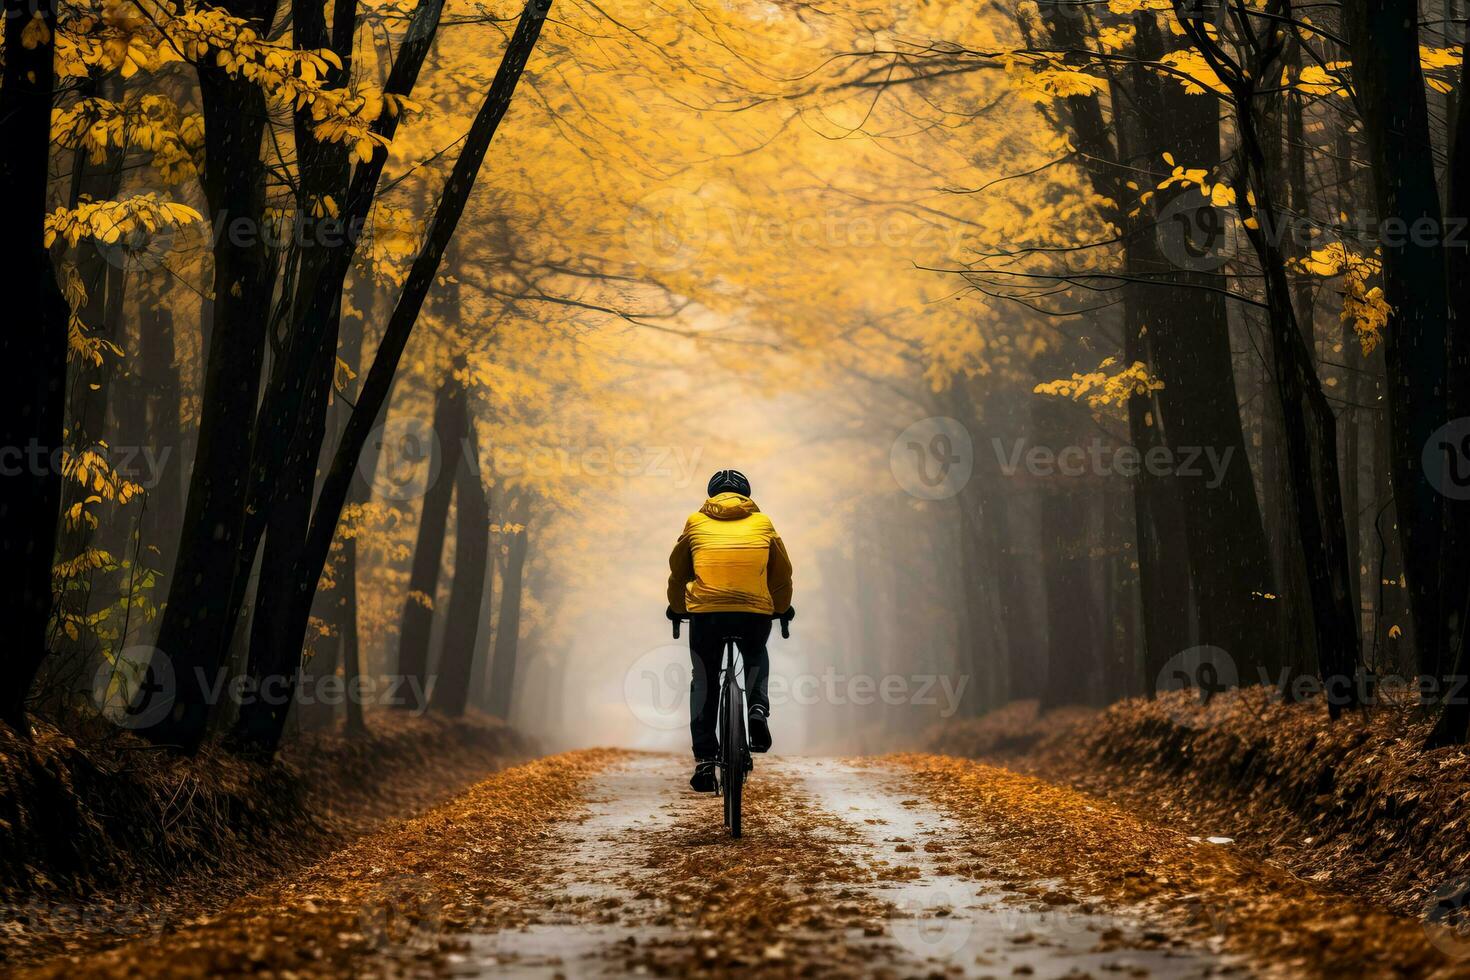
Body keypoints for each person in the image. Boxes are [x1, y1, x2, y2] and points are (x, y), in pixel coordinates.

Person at [667, 469, 793, 792]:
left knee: (705, 678)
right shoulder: (763, 523)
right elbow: (782, 575)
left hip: (707, 614)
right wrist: (780, 607)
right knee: (755, 653)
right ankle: (757, 708)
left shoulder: (695, 522)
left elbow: (678, 574)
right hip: (753, 612)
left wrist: (679, 608)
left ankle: (706, 760)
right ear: (747, 496)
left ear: (711, 496)